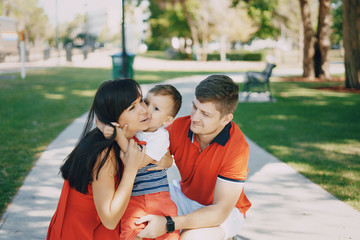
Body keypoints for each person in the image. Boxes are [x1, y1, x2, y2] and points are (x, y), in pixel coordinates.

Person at [135, 75, 252, 240]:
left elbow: (219, 211)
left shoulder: (237, 149)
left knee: (191, 237)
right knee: (137, 224)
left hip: (224, 210)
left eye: (205, 114)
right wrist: (167, 159)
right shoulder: (179, 127)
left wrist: (168, 223)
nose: (195, 117)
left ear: (225, 119)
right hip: (183, 195)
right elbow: (149, 148)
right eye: (195, 107)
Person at [47, 79, 153, 239]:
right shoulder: (105, 154)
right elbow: (109, 219)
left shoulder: (130, 136)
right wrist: (131, 169)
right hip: (85, 233)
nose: (144, 110)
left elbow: (165, 161)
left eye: (142, 101)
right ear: (115, 119)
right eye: (132, 107)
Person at [102, 84, 182, 240]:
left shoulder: (160, 136)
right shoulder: (136, 129)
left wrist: (120, 137)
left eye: (156, 109)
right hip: (133, 198)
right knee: (130, 234)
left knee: (166, 235)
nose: (147, 110)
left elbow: (137, 162)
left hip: (157, 198)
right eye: (146, 102)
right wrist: (109, 129)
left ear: (167, 120)